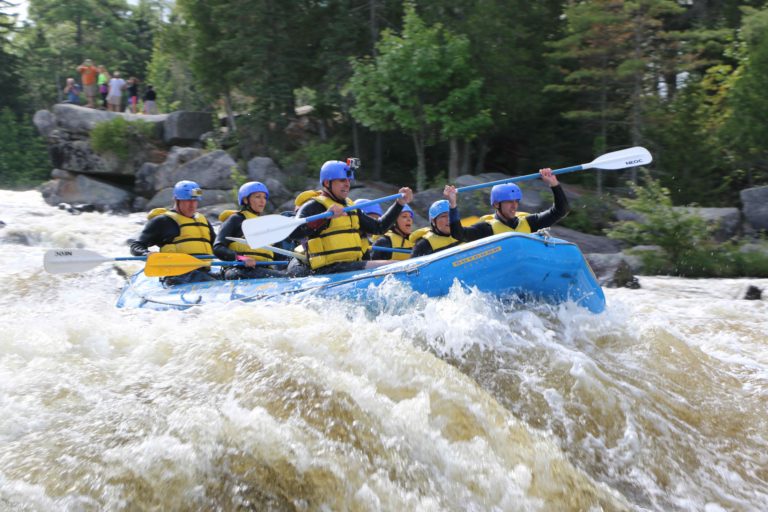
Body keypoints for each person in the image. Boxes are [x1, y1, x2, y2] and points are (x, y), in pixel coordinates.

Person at [286, 159, 413, 276]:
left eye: (348, 180)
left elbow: (378, 228)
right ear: (326, 183)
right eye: (342, 180)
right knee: (395, 266)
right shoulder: (314, 206)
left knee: (395, 265)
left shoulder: (350, 207)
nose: (347, 184)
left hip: (350, 266)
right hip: (328, 269)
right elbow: (293, 233)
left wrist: (399, 204)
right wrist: (326, 218)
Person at [130, 180, 218, 286]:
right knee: (207, 280)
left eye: (195, 201)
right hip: (178, 275)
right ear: (177, 200)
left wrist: (239, 257)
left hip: (204, 272)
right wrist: (147, 254)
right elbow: (136, 246)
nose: (192, 205)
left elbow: (218, 247)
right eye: (187, 201)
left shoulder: (203, 221)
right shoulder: (162, 221)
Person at [446, 168, 570, 243]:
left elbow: (561, 210)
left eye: (516, 201)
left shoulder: (530, 223)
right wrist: (453, 205)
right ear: (496, 204)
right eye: (509, 202)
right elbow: (459, 234)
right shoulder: (486, 229)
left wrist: (554, 184)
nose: (514, 206)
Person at [213, 181, 285, 280]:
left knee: (288, 275)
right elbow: (218, 248)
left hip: (264, 270)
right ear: (246, 200)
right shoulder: (236, 219)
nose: (262, 201)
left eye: (264, 197)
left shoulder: (266, 225)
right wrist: (241, 258)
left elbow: (278, 254)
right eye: (257, 197)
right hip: (239, 270)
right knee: (282, 277)